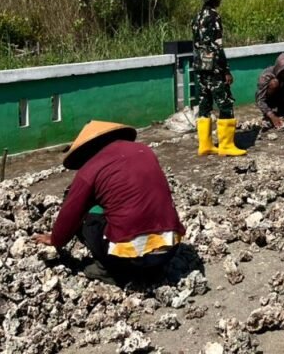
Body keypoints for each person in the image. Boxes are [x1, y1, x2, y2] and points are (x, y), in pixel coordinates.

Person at [33, 121, 184, 284]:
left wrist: (55, 239)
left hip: (129, 258)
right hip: (169, 251)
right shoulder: (145, 151)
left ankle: (109, 270)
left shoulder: (90, 168)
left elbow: (71, 212)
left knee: (87, 216)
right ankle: (150, 270)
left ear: (87, 149)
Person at [191, 0, 245, 156]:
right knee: (225, 103)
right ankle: (226, 145)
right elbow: (217, 47)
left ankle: (205, 145)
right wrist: (226, 71)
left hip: (199, 65)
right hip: (214, 67)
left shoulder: (197, 17)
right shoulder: (214, 17)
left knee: (204, 103)